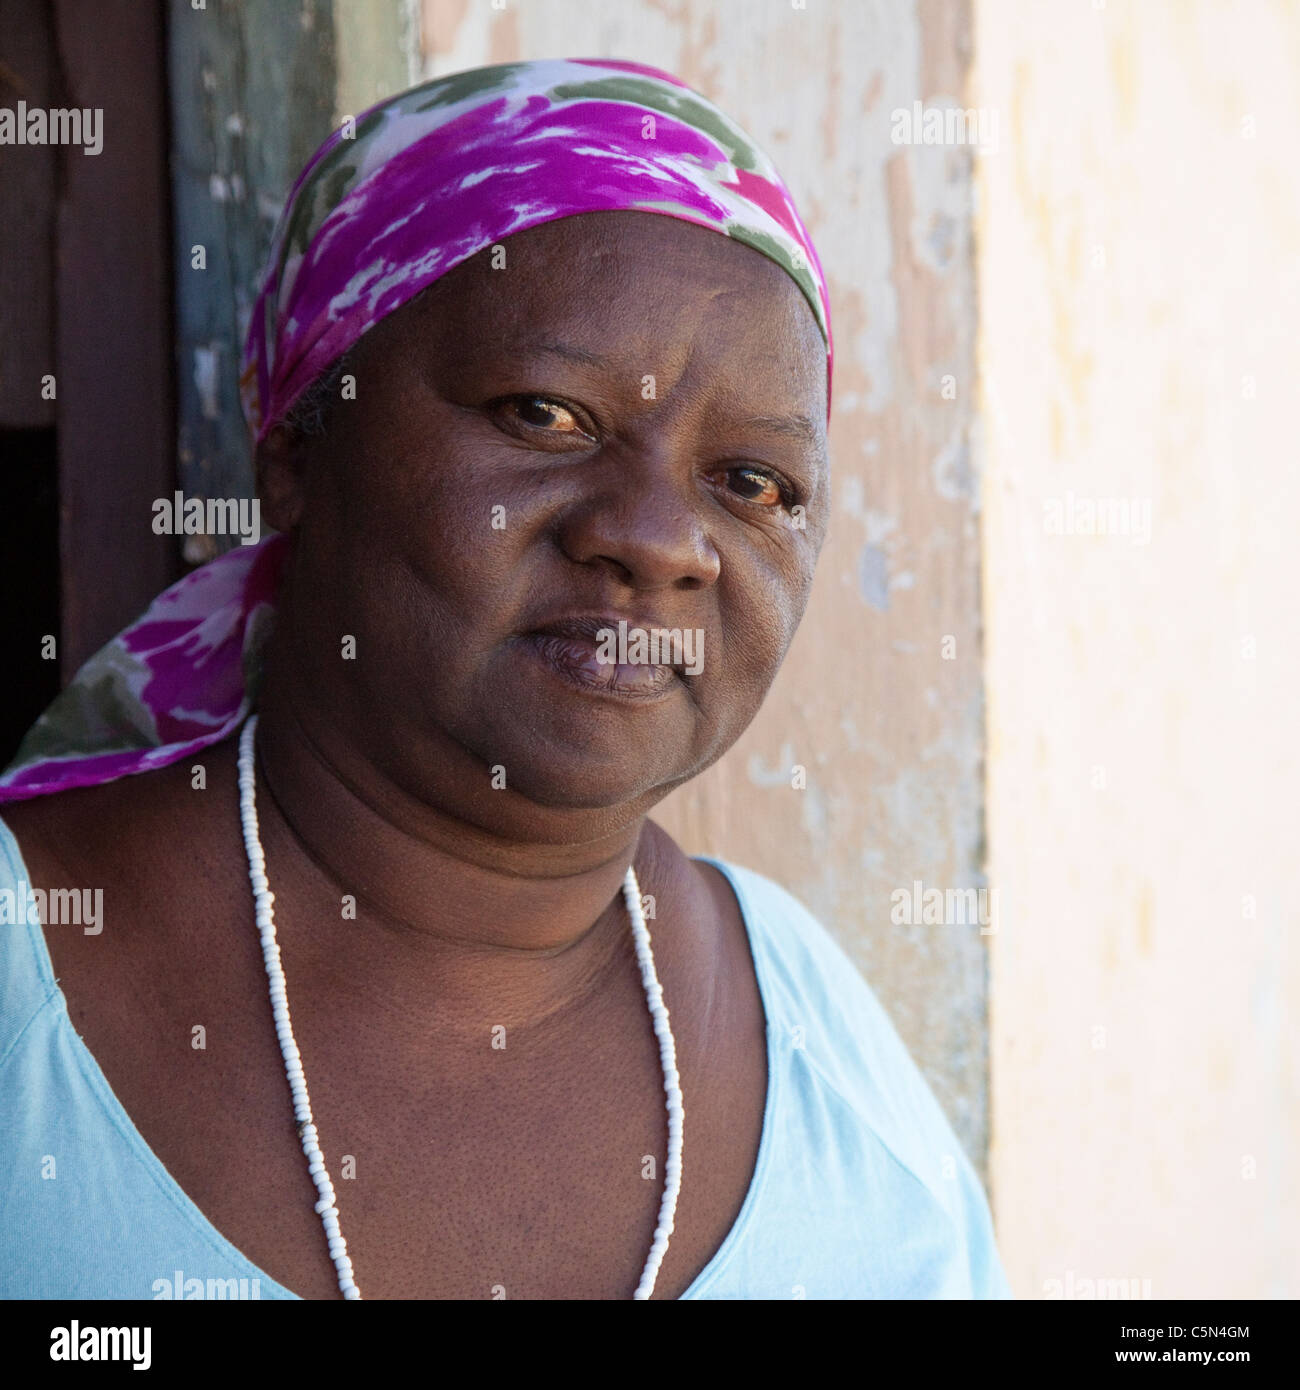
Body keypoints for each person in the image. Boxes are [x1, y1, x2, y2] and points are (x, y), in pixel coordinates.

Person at [0, 58, 1010, 1300]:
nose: (656, 536)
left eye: (753, 482)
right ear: (299, 452)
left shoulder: (823, 1047)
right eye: (544, 413)